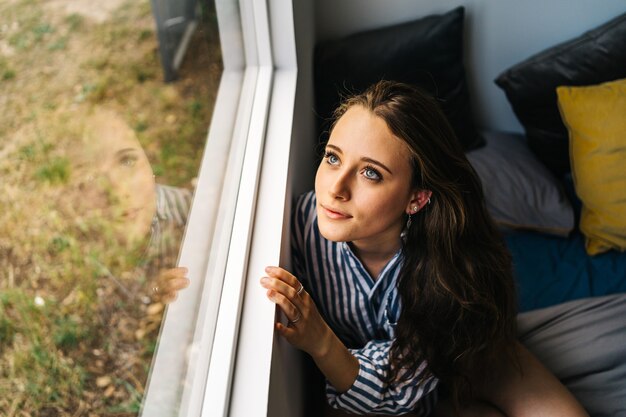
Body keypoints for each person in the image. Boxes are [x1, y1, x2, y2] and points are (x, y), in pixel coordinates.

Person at [260, 81, 588, 416]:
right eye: (333, 158)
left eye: (370, 173)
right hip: (369, 392)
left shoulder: (450, 274)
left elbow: (398, 389)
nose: (336, 188)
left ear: (416, 197)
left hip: (464, 352)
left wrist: (320, 340)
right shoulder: (297, 226)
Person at [77, 107, 191, 303]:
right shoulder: (87, 253)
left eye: (127, 161)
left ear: (148, 159)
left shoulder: (190, 208)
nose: (119, 192)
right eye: (91, 177)